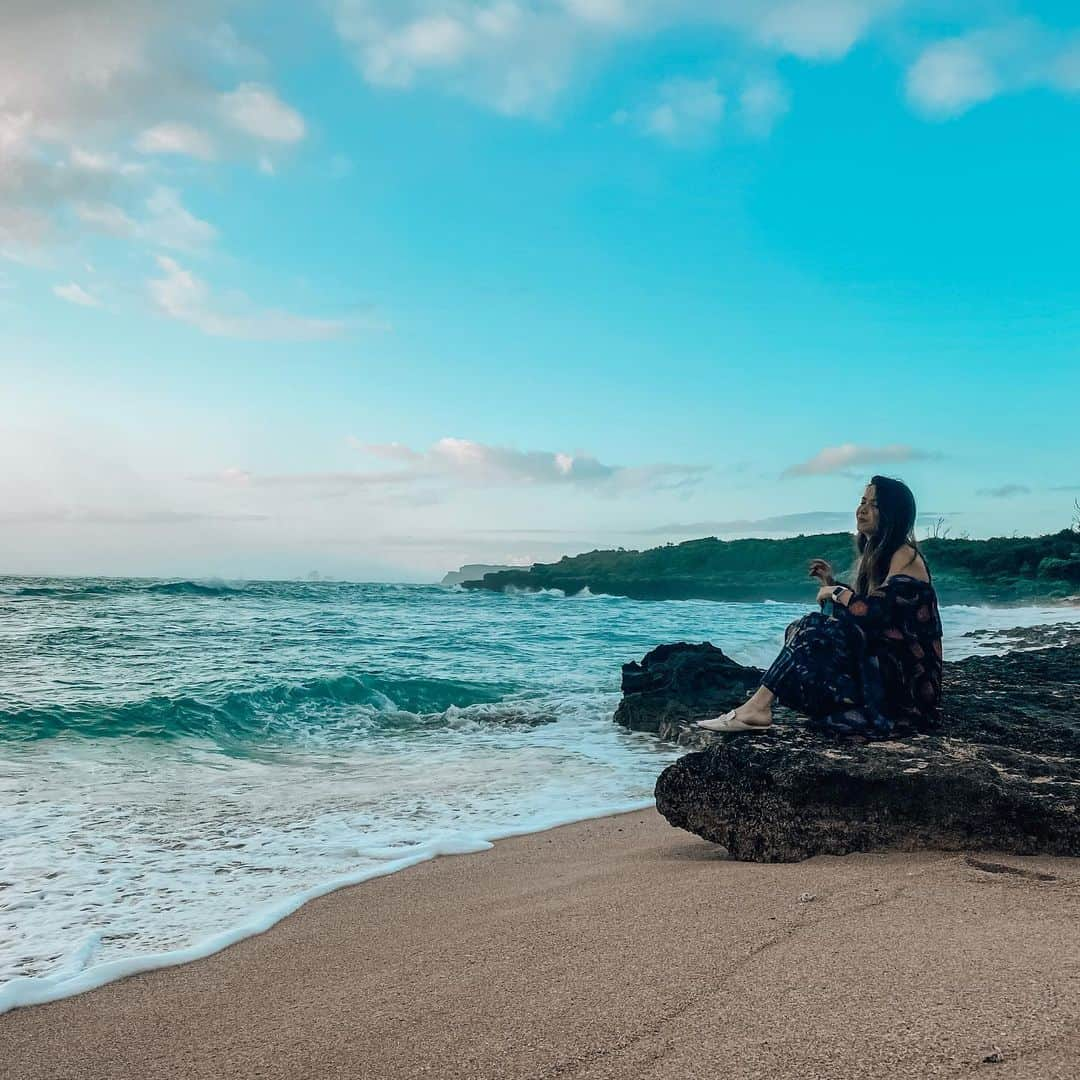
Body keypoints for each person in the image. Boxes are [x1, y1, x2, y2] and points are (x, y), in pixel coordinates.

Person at [697, 475, 943, 739]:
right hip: (883, 674)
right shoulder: (876, 557)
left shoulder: (904, 555)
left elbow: (875, 614)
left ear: (893, 514)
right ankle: (761, 707)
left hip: (907, 693)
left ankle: (757, 709)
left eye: (874, 504)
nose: (862, 510)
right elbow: (863, 617)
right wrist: (832, 584)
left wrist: (835, 592)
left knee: (813, 627)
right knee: (800, 629)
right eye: (862, 501)